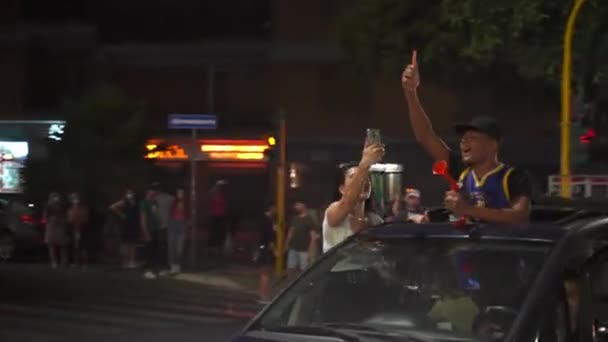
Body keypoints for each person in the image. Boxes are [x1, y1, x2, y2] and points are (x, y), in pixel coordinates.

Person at [402, 50, 532, 224]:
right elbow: (425, 136)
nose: (464, 141)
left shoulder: (514, 177)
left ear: (493, 144)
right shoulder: (459, 170)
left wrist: (468, 209)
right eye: (463, 137)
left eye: (473, 136)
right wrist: (411, 93)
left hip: (502, 248)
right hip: (465, 249)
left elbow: (519, 216)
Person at [322, 140, 385, 253]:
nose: (363, 181)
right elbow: (348, 202)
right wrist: (365, 164)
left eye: (367, 178)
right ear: (342, 189)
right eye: (353, 177)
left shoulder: (376, 220)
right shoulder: (333, 211)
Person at [110, 188, 140, 268]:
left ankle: (131, 261)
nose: (130, 194)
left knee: (133, 244)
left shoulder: (136, 202)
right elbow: (112, 207)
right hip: (126, 225)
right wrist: (121, 214)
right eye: (128, 193)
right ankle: (125, 262)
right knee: (125, 244)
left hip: (134, 225)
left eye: (131, 193)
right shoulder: (124, 202)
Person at [285, 200, 316, 280]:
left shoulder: (309, 219)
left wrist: (310, 251)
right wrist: (287, 243)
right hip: (293, 248)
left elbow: (313, 237)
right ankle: (290, 286)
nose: (295, 206)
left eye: (297, 204)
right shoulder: (295, 218)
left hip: (304, 249)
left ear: (303, 205)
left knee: (304, 271)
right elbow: (291, 231)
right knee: (290, 268)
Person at [256, 204, 276, 304]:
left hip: (261, 249)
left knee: (262, 274)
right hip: (266, 251)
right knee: (266, 275)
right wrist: (275, 251)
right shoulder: (268, 221)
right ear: (271, 208)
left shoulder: (261, 220)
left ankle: (262, 295)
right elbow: (270, 239)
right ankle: (265, 297)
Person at [141, 186, 162, 279]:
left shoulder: (154, 202)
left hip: (156, 229)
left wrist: (159, 223)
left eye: (153, 191)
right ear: (147, 192)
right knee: (149, 251)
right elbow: (143, 219)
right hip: (149, 229)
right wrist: (146, 232)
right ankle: (147, 271)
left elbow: (156, 214)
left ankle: (154, 270)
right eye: (151, 191)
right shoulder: (144, 203)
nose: (153, 192)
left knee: (155, 251)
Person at [44, 193, 69, 268]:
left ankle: (63, 262)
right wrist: (50, 220)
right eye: (54, 197)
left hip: (60, 226)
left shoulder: (62, 206)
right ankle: (54, 262)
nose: (56, 198)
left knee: (62, 245)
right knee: (52, 245)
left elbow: (65, 215)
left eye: (57, 197)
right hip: (51, 226)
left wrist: (63, 221)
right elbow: (45, 217)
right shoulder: (48, 206)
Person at [167, 188, 188, 275]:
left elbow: (189, 213)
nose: (180, 194)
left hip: (182, 224)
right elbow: (169, 212)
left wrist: (187, 220)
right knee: (172, 245)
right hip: (173, 223)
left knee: (180, 246)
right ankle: (172, 266)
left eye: (181, 193)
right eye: (178, 193)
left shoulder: (187, 202)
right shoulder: (172, 201)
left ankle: (177, 265)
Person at [67, 192, 90, 268]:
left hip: (82, 228)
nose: (75, 200)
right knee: (75, 247)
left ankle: (84, 263)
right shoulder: (70, 209)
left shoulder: (83, 208)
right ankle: (76, 262)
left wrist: (79, 226)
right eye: (73, 198)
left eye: (76, 198)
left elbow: (85, 218)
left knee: (82, 247)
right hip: (74, 228)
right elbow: (69, 219)